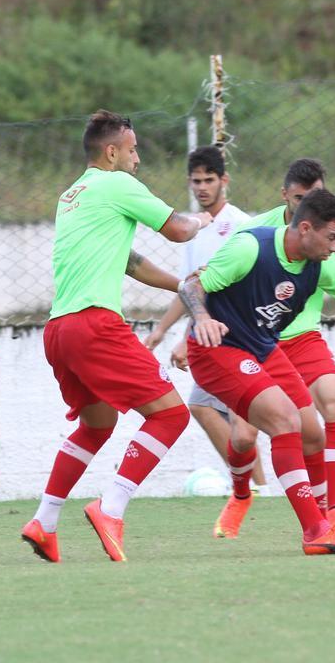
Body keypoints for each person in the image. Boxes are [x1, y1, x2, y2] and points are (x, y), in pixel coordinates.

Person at [180, 188, 335, 554]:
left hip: (262, 347)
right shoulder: (251, 248)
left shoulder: (320, 265)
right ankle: (314, 531)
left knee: (313, 434)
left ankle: (326, 521)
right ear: (305, 228)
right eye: (332, 238)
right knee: (283, 422)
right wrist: (201, 319)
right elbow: (192, 284)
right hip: (218, 349)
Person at [20, 110, 212, 564]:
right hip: (94, 325)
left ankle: (44, 522)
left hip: (59, 330)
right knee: (170, 416)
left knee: (97, 424)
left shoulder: (72, 195)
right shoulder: (118, 185)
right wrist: (206, 220)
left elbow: (128, 261)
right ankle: (111, 509)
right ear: (112, 152)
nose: (137, 157)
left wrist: (180, 286)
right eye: (133, 149)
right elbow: (180, 231)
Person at [218, 158, 335, 537]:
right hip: (252, 341)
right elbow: (213, 284)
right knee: (244, 437)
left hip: (302, 337)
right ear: (285, 196)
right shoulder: (254, 234)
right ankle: (241, 493)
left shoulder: (333, 239)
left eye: (313, 197)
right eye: (299, 198)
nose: (305, 205)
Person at [143, 145, 267, 492]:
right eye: (196, 181)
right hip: (209, 335)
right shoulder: (191, 229)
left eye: (209, 180)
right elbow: (189, 288)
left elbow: (226, 286)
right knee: (205, 407)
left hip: (239, 334)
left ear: (224, 180)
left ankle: (257, 487)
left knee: (236, 418)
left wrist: (187, 337)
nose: (202, 187)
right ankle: (255, 486)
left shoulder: (241, 225)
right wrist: (161, 331)